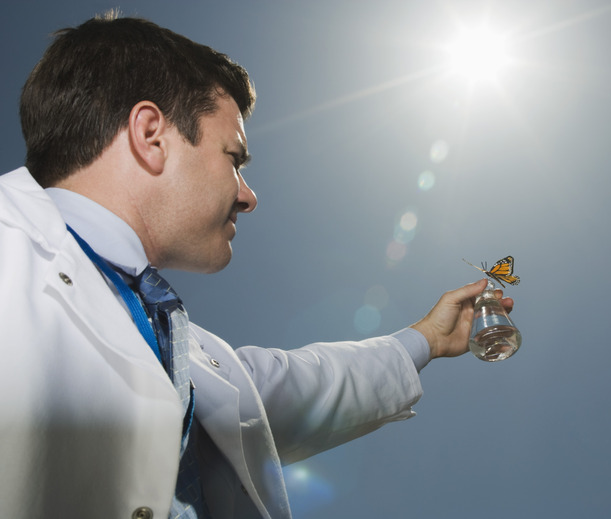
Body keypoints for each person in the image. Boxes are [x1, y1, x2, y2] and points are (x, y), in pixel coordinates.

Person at [0, 13, 512, 519]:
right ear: (151, 135)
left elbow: (299, 388)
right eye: (234, 158)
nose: (248, 197)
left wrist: (427, 337)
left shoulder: (181, 350)